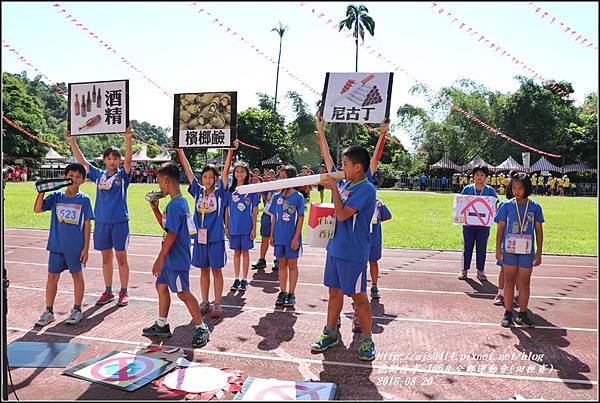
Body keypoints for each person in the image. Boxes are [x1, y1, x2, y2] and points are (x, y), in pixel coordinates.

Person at [312, 112, 377, 361]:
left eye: (346, 164)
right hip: (335, 251)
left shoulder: (366, 189)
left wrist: (333, 190)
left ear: (358, 167)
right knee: (334, 293)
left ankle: (367, 339)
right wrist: (320, 130)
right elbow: (327, 159)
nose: (341, 167)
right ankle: (330, 332)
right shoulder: (344, 183)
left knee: (359, 298)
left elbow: (342, 215)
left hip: (354, 254)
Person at [143, 162, 211, 348]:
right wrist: (155, 208)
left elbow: (172, 235)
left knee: (183, 293)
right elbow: (167, 228)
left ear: (166, 181)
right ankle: (162, 324)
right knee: (162, 286)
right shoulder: (178, 202)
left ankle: (201, 327)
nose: (159, 187)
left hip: (176, 258)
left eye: (159, 183)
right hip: (170, 258)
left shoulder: (175, 205)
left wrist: (159, 259)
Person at [66, 126, 133, 307]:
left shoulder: (123, 176)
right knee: (105, 258)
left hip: (119, 222)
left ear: (119, 161)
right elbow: (82, 162)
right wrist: (72, 141)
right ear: (104, 160)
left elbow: (129, 160)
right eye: (109, 158)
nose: (112, 161)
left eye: (115, 158)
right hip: (102, 222)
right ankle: (109, 290)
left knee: (121, 258)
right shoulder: (99, 175)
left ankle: (124, 292)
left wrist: (128, 139)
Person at [176, 143, 235, 318]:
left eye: (211, 177)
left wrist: (231, 150)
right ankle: (204, 302)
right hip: (200, 239)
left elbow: (225, 173)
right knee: (203, 271)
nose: (208, 180)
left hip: (215, 238)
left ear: (215, 179)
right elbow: (187, 170)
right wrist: (180, 151)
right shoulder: (197, 191)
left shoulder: (220, 194)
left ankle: (217, 304)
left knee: (216, 270)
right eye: (205, 176)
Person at [33, 163, 93, 326]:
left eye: (78, 176)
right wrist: (42, 191)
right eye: (70, 176)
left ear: (83, 180)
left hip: (75, 248)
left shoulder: (84, 200)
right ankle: (49, 311)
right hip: (56, 246)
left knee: (77, 276)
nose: (74, 179)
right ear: (64, 178)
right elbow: (37, 210)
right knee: (52, 277)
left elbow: (87, 224)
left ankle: (77, 309)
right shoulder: (56, 196)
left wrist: (86, 248)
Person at [495, 172, 544, 328]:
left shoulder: (535, 207)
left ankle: (523, 313)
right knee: (509, 281)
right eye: (514, 187)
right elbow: (500, 228)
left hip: (527, 251)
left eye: (520, 188)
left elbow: (539, 231)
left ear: (527, 188)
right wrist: (497, 249)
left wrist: (539, 252)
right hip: (509, 250)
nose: (517, 191)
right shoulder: (506, 205)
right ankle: (508, 313)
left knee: (524, 283)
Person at [269, 165, 305, 307]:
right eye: (280, 177)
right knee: (281, 265)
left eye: (284, 177)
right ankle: (282, 292)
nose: (280, 180)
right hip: (279, 238)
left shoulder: (298, 197)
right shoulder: (276, 197)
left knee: (292, 265)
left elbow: (300, 218)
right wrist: (272, 235)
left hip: (292, 238)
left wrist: (296, 238)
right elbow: (274, 217)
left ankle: (291, 293)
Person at [458, 165, 498, 281]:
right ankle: (464, 270)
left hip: (483, 226)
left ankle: (480, 270)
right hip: (468, 225)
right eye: (477, 175)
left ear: (486, 177)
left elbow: (495, 205)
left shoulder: (490, 190)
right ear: (473, 176)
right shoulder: (468, 189)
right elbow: (460, 203)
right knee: (467, 247)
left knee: (481, 248)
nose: (479, 177)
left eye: (482, 175)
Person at [225, 161, 259, 292]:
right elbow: (227, 210)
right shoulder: (230, 191)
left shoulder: (251, 190)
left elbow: (255, 210)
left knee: (245, 252)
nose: (239, 174)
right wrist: (227, 227)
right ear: (234, 173)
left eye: (242, 171)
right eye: (237, 171)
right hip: (234, 227)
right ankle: (236, 278)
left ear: (247, 173)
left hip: (247, 227)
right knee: (236, 253)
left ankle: (244, 279)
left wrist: (254, 228)